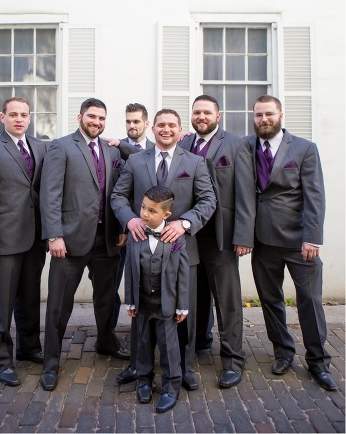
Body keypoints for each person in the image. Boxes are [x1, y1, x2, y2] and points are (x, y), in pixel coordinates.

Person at [234, 95, 336, 391]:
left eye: (268, 114)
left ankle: (319, 362)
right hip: (262, 241)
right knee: (270, 300)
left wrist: (312, 237)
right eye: (258, 115)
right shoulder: (245, 145)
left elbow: (314, 196)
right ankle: (283, 352)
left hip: (297, 241)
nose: (263, 120)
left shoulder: (304, 148)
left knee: (310, 301)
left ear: (280, 115)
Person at [111, 109, 216, 391]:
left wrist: (184, 222)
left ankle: (185, 368)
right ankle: (138, 365)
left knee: (182, 312)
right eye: (161, 125)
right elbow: (118, 195)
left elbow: (208, 200)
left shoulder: (194, 162)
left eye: (172, 125)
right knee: (142, 311)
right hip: (142, 250)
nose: (166, 129)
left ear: (181, 131)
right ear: (152, 128)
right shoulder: (135, 160)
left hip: (182, 250)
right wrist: (129, 218)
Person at [39, 98, 128, 392]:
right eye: (92, 116)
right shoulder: (62, 147)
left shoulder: (111, 149)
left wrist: (120, 229)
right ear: (80, 117)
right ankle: (51, 362)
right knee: (59, 305)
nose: (97, 122)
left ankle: (106, 342)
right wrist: (54, 235)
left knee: (106, 299)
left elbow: (117, 190)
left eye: (102, 118)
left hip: (106, 240)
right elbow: (50, 194)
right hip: (69, 240)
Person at [0, 97, 47, 387]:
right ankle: (3, 361)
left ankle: (29, 348)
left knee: (29, 298)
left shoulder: (41, 147)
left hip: (34, 239)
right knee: (2, 304)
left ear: (29, 118)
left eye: (24, 114)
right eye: (13, 114)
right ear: (2, 117)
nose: (19, 119)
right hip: (3, 241)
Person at [179, 95, 249, 388]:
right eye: (197, 112)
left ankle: (233, 360)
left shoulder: (235, 144)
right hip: (190, 235)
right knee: (193, 296)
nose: (201, 116)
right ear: (192, 116)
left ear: (218, 116)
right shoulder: (183, 144)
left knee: (227, 300)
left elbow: (245, 192)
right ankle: (195, 346)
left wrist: (244, 235)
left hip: (222, 235)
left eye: (207, 112)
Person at [124, 186, 189, 413]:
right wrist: (130, 300)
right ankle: (143, 379)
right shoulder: (136, 235)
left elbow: (183, 274)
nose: (144, 214)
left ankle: (171, 386)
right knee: (142, 342)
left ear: (166, 215)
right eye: (143, 207)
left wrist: (182, 305)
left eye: (152, 211)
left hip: (166, 305)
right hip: (142, 302)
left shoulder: (176, 239)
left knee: (168, 346)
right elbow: (130, 270)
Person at [112, 103, 154, 328]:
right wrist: (122, 228)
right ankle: (109, 334)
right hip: (121, 229)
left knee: (146, 283)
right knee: (114, 283)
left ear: (147, 124)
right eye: (128, 121)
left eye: (136, 121)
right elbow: (115, 192)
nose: (132, 125)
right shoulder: (113, 149)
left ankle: (146, 330)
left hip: (149, 232)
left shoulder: (158, 149)